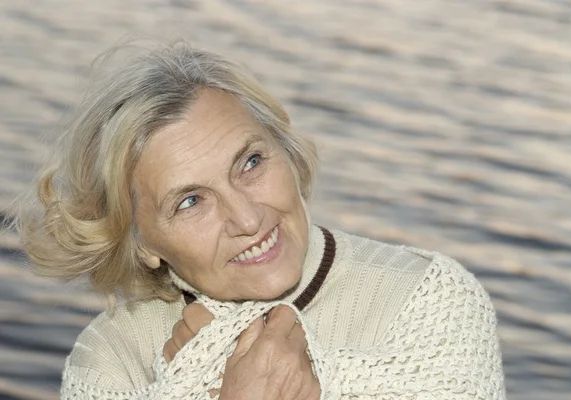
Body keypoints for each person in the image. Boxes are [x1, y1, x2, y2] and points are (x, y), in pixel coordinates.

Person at [12, 40, 505, 399]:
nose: (247, 218)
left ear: (286, 152)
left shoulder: (426, 300)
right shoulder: (110, 364)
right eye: (190, 201)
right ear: (141, 240)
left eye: (250, 163)